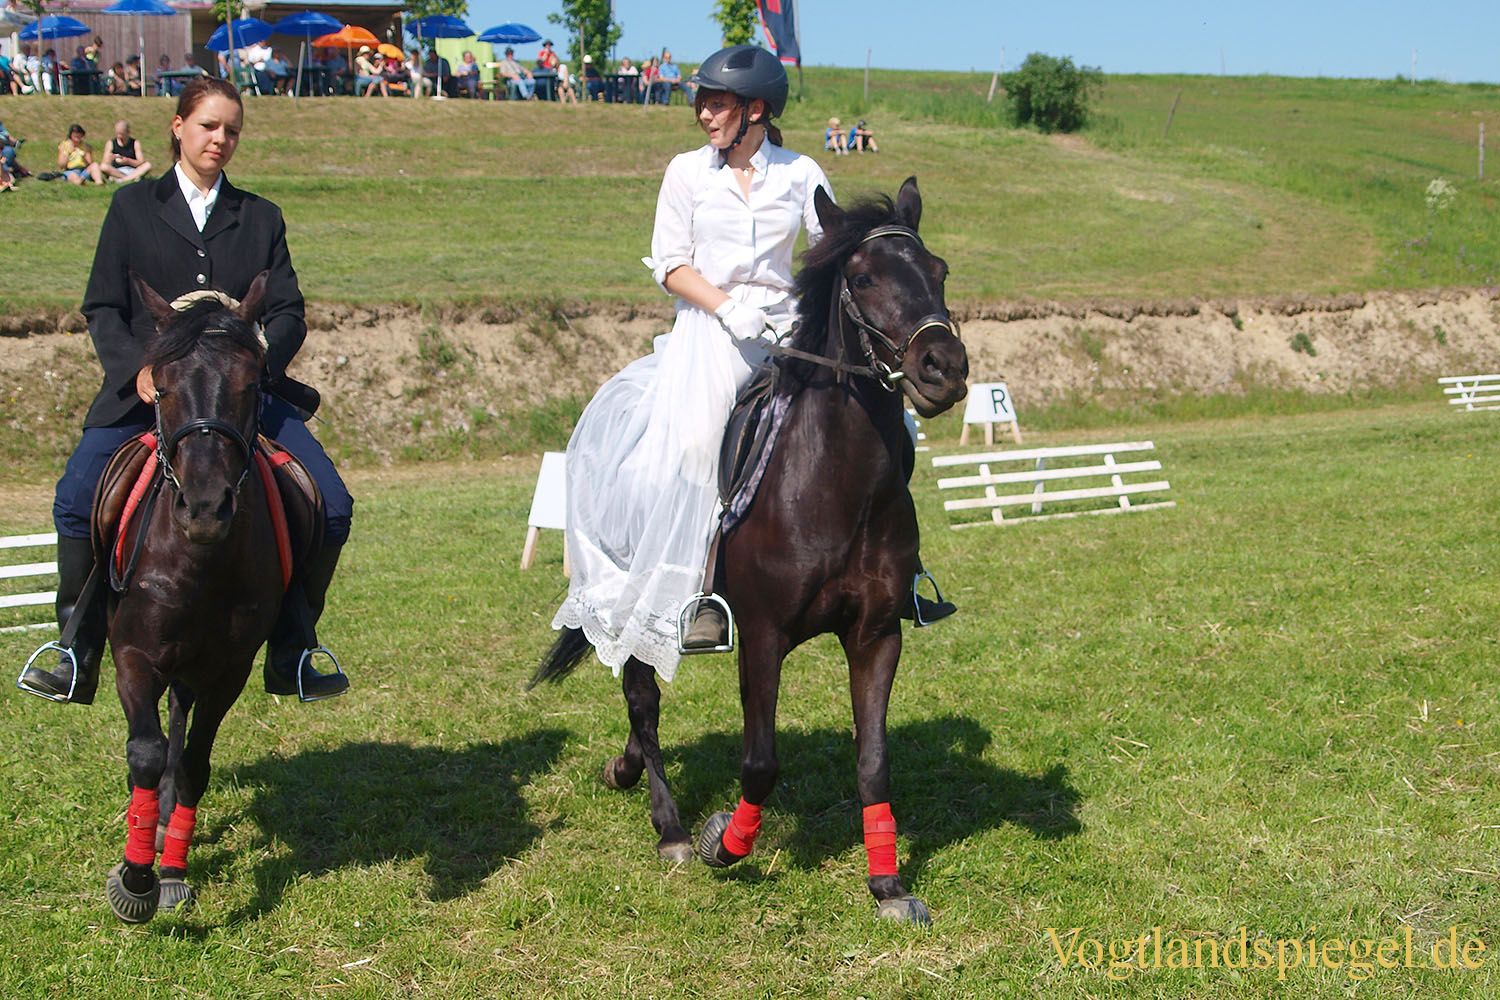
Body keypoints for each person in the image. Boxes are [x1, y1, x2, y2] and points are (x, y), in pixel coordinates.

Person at [20, 76, 353, 706]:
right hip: (151, 392)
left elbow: (288, 312)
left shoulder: (261, 217)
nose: (220, 139)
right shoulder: (131, 208)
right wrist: (137, 371)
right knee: (74, 499)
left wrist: (258, 361)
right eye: (208, 126)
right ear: (178, 127)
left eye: (232, 130)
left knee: (331, 506)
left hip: (238, 398)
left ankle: (294, 647)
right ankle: (75, 649)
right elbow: (102, 307)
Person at [551, 45, 832, 675]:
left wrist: (805, 312)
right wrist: (730, 307)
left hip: (791, 329)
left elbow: (830, 250)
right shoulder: (687, 173)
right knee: (700, 443)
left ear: (756, 109)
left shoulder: (802, 172)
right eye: (702, 102)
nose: (704, 113)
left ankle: (898, 568)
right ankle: (703, 593)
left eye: (717, 103)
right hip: (713, 332)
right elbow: (672, 264)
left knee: (875, 419)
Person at [100, 120, 152, 184]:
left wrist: (128, 161)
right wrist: (111, 158)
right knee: (103, 166)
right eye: (117, 134)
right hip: (117, 171)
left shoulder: (135, 143)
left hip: (133, 170)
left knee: (148, 165)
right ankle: (130, 178)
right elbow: (104, 162)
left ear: (127, 132)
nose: (119, 136)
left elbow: (141, 162)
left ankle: (123, 180)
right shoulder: (111, 143)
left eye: (121, 134)